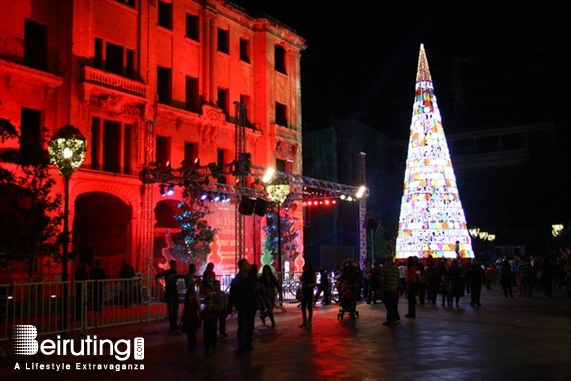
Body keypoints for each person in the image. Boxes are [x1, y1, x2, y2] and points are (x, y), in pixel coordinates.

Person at [227, 259, 257, 354]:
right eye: (247, 264)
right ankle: (241, 345)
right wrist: (230, 306)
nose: (249, 265)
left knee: (250, 325)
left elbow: (255, 289)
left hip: (251, 304)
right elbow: (232, 293)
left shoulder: (252, 277)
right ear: (242, 267)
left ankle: (248, 343)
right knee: (242, 325)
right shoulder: (237, 279)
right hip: (242, 304)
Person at [156, 259, 183, 330]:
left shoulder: (173, 272)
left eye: (175, 265)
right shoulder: (167, 272)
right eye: (174, 265)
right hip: (170, 292)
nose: (175, 266)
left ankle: (174, 324)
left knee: (175, 308)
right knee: (171, 309)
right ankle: (172, 324)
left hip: (174, 292)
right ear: (171, 265)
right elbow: (159, 276)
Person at [381, 255, 400, 326]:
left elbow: (382, 280)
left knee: (388, 305)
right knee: (393, 304)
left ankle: (390, 319)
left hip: (387, 289)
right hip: (394, 289)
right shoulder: (396, 269)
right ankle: (395, 318)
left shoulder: (385, 269)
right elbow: (398, 280)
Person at [299, 261, 317, 330]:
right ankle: (304, 321)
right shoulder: (305, 274)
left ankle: (309, 321)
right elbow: (301, 280)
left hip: (309, 291)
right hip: (304, 291)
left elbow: (314, 283)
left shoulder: (312, 274)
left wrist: (308, 285)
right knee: (303, 306)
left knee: (309, 306)